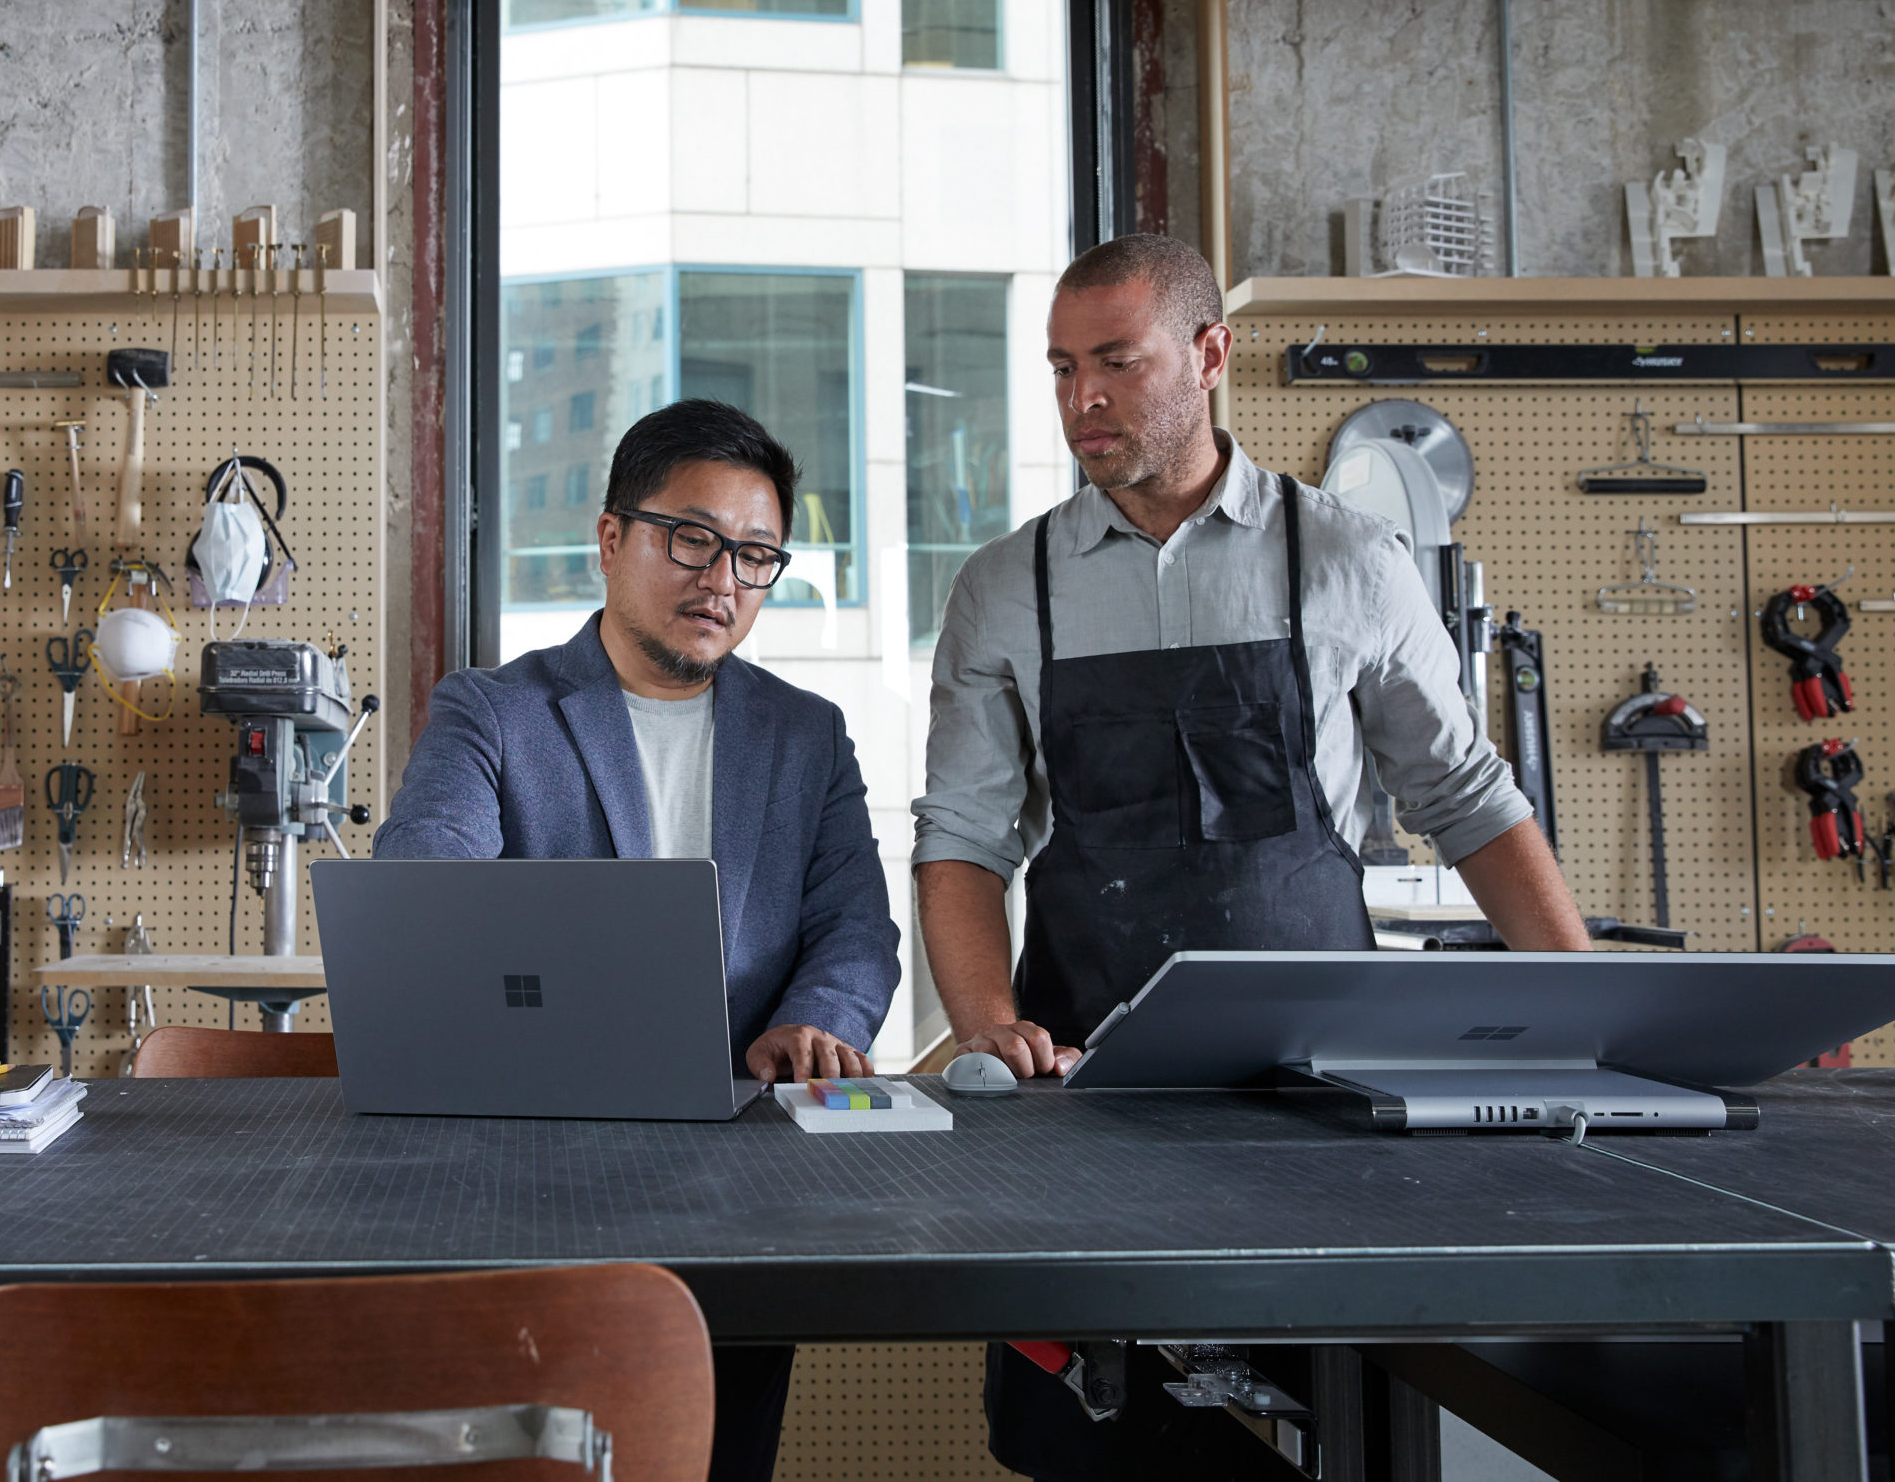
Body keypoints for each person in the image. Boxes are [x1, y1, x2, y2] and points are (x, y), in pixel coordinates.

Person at [910, 233, 1591, 1480]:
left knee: (1337, 1430)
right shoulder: (1006, 589)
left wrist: (1596, 1026)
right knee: (1090, 1445)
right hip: (1085, 1100)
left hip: (1321, 1109)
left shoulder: (1345, 558)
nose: (1083, 400)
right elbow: (959, 837)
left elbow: (1467, 798)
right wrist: (985, 1023)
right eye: (1062, 369)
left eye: (1116, 362)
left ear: (1211, 355)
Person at [376, 397, 902, 1482]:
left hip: (747, 1183)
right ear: (611, 538)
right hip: (529, 1175)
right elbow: (425, 898)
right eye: (692, 538)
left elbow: (856, 924)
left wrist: (817, 1016)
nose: (722, 580)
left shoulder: (807, 734)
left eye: (755, 556)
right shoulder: (492, 712)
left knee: (721, 1458)